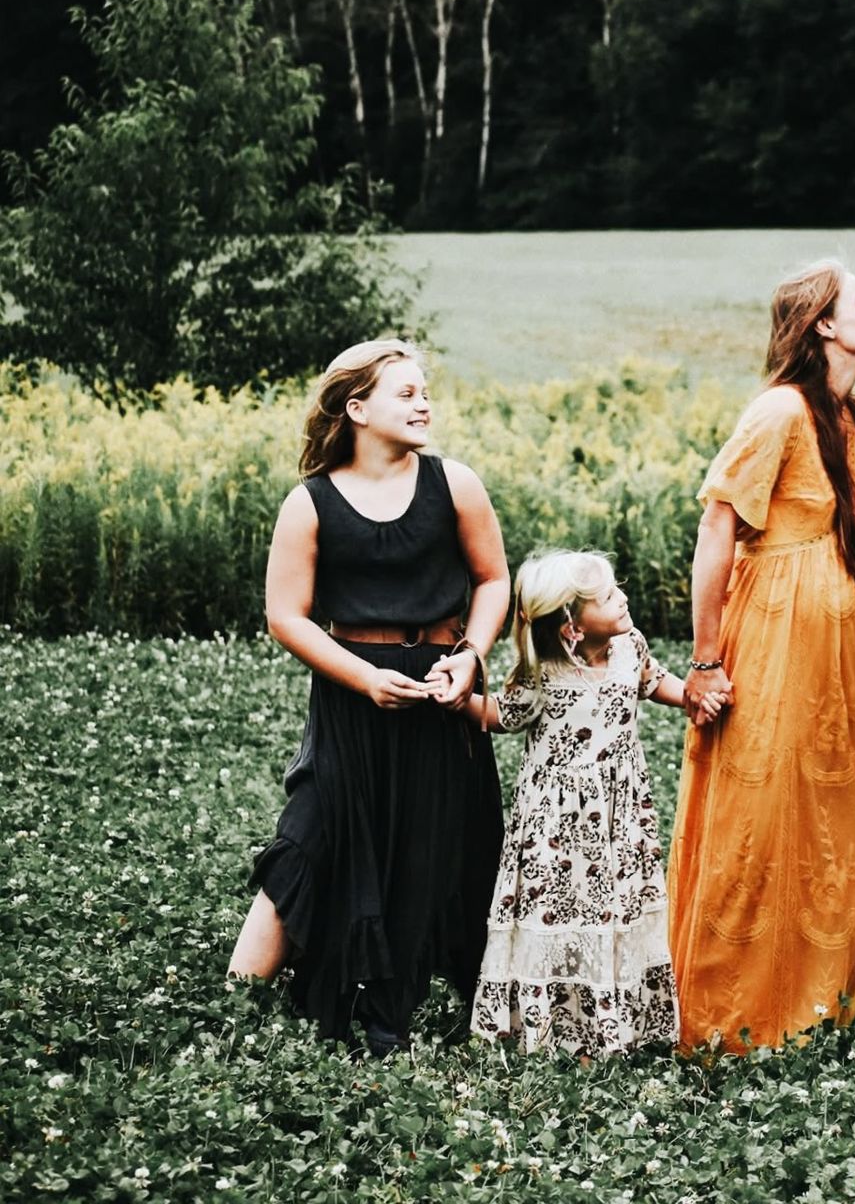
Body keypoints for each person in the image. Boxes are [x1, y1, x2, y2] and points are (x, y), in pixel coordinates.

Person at [227, 340, 508, 1055]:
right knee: (311, 834)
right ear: (357, 409)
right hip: (354, 701)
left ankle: (424, 1000)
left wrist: (470, 658)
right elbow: (285, 616)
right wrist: (363, 678)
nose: (424, 404)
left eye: (424, 391)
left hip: (443, 695)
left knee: (436, 851)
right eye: (406, 393)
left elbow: (493, 581)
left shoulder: (456, 484)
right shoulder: (310, 502)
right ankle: (236, 1006)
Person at [667, 261, 855, 1053]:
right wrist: (704, 660)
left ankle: (808, 996)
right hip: (771, 634)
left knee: (821, 813)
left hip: (837, 647)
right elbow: (717, 529)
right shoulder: (780, 411)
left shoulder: (848, 418)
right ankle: (730, 1007)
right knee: (758, 816)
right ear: (823, 325)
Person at [461, 549, 722, 1056]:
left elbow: (652, 679)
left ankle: (615, 1021)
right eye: (606, 596)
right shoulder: (543, 675)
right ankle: (551, 1024)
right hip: (555, 827)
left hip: (619, 819)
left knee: (612, 911)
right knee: (564, 914)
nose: (622, 597)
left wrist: (690, 697)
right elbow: (499, 715)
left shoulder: (630, 647)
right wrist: (454, 701)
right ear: (570, 626)